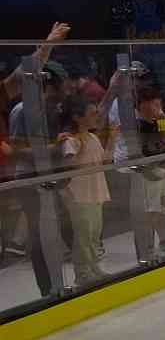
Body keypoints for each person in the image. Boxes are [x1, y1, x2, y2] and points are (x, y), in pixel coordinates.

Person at [8, 60, 73, 296]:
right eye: (61, 85)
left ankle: (65, 279)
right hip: (29, 179)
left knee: (63, 227)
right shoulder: (22, 110)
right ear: (49, 83)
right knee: (38, 233)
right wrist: (52, 149)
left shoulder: (50, 109)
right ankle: (47, 290)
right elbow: (16, 150)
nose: (65, 89)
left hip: (47, 174)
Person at [57, 96, 110, 285]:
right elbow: (67, 164)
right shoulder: (72, 141)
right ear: (78, 117)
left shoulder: (93, 137)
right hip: (79, 194)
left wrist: (113, 137)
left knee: (94, 232)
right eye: (92, 113)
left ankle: (92, 267)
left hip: (95, 190)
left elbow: (104, 159)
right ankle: (83, 272)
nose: (96, 116)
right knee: (84, 234)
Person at [134, 84, 165, 257]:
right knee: (152, 211)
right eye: (154, 104)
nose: (157, 107)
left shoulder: (157, 121)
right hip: (149, 175)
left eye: (158, 104)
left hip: (162, 170)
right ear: (142, 105)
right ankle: (148, 248)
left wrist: (161, 114)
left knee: (163, 208)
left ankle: (164, 241)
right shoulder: (138, 126)